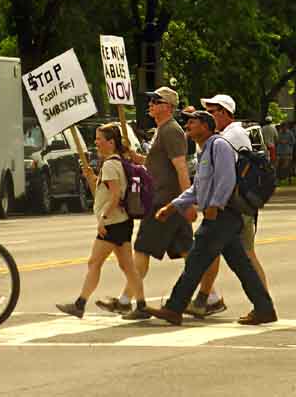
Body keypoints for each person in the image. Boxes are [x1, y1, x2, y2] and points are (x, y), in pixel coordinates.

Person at [145, 111, 277, 326]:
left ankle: (174, 308)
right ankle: (265, 309)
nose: (187, 125)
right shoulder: (205, 151)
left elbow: (227, 179)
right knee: (241, 265)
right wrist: (172, 207)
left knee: (196, 262)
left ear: (206, 126)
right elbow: (197, 188)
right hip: (221, 217)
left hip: (222, 216)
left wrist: (216, 205)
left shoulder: (219, 146)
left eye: (192, 121)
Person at [97, 87, 194, 315]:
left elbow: (181, 168)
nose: (150, 103)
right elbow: (156, 165)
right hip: (169, 202)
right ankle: (210, 296)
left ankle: (126, 301)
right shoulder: (162, 130)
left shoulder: (171, 131)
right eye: (150, 100)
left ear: (168, 107)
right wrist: (134, 157)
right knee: (190, 253)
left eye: (155, 100)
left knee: (141, 250)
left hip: (164, 203)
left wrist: (187, 201)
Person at [56, 123, 147, 320]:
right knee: (128, 266)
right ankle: (141, 305)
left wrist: (103, 219)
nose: (96, 142)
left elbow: (115, 196)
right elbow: (103, 192)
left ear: (111, 142)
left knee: (94, 262)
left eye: (99, 139)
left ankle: (80, 304)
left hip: (113, 223)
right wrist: (91, 178)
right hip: (122, 221)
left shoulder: (110, 165)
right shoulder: (116, 163)